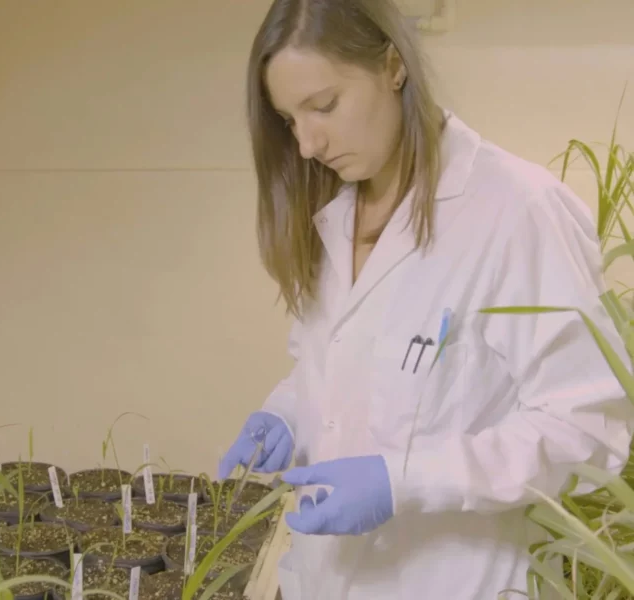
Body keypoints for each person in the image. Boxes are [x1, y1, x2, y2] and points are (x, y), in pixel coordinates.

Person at [217, 0, 634, 598]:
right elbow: (337, 369)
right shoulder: (334, 215)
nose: (307, 144)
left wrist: (405, 481)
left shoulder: (516, 211)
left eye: (324, 105)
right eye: (288, 120)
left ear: (393, 66)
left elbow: (586, 429)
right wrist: (287, 412)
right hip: (321, 579)